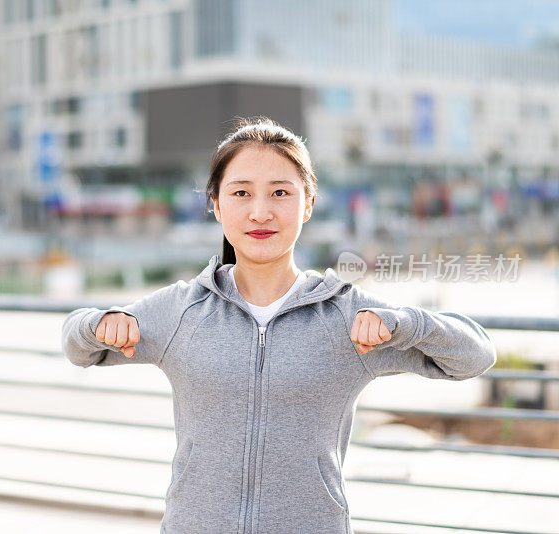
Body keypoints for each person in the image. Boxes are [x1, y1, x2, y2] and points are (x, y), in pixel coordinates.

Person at [61, 116, 497, 534]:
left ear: (308, 203)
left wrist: (407, 324)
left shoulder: (347, 315)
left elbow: (475, 357)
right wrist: (98, 323)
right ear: (215, 203)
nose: (261, 212)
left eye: (281, 193)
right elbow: (77, 347)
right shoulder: (182, 309)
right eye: (241, 193)